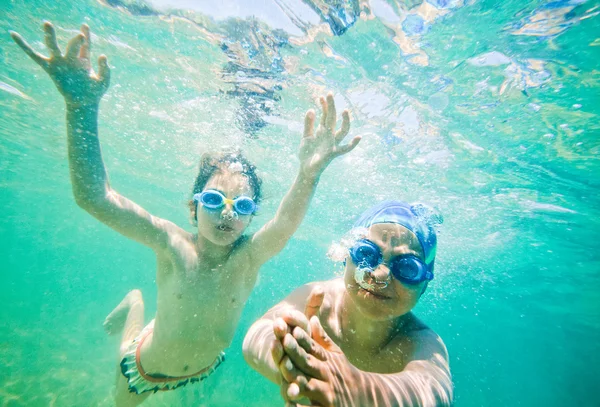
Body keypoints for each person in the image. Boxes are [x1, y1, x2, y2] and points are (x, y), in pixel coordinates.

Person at [10, 22, 361, 407]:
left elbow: (284, 224)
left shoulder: (247, 259)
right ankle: (134, 302)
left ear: (249, 218)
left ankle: (136, 305)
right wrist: (79, 107)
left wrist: (308, 174)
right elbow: (95, 198)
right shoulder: (171, 244)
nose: (226, 213)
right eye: (213, 200)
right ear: (192, 208)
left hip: (206, 369)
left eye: (242, 206)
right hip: (141, 372)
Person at [243, 201, 452, 406]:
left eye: (408, 268)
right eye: (366, 254)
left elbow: (434, 391)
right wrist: (298, 371)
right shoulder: (320, 299)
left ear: (424, 284)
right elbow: (257, 335)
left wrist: (355, 391)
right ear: (346, 256)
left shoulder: (420, 340)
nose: (380, 275)